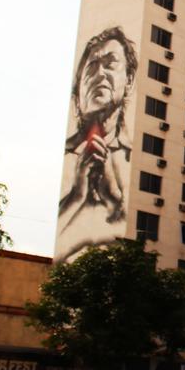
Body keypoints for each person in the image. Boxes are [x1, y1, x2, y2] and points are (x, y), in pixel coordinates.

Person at [56, 26, 138, 261]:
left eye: (110, 64)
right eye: (92, 66)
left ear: (129, 80)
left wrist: (116, 204)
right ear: (77, 91)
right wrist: (77, 196)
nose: (100, 74)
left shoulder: (134, 158)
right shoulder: (63, 157)